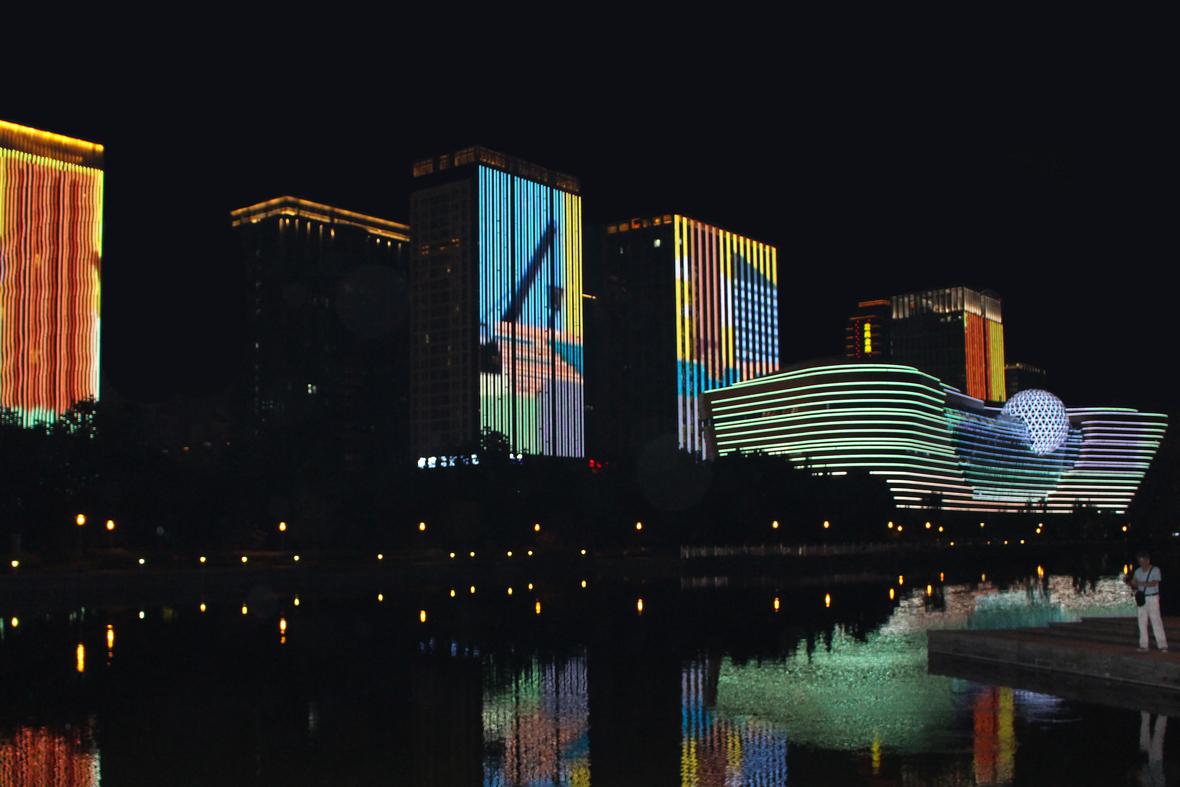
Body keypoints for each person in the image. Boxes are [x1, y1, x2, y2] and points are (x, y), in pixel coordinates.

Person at [1127, 550, 1168, 652]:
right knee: (1142, 621)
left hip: (1152, 597)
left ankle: (1162, 645)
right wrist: (1129, 582)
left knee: (1156, 621)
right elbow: (1134, 583)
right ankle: (1144, 645)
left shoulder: (1155, 570)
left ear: (1148, 560)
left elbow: (1153, 583)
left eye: (1143, 561)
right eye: (1140, 562)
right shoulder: (1137, 571)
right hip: (1142, 598)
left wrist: (1139, 583)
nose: (1142, 564)